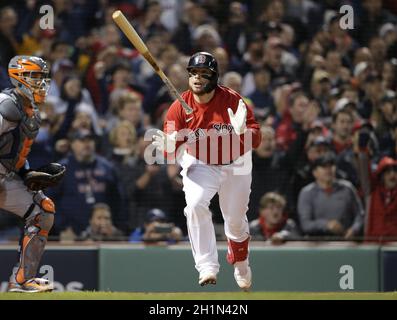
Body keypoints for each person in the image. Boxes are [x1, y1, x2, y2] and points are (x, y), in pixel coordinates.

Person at [152, 52, 262, 290]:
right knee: (195, 204)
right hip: (201, 162)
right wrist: (170, 146)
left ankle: (241, 263)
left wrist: (243, 132)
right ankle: (206, 266)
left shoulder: (233, 101)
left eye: (204, 74)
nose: (198, 78)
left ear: (215, 77)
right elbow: (170, 150)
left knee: (234, 221)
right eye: (193, 73)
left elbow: (258, 138)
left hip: (236, 162)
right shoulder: (177, 108)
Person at [0, 56, 61, 292]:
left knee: (43, 210)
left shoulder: (31, 112)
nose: (41, 83)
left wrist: (28, 174)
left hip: (4, 177)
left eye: (43, 78)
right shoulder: (6, 104)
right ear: (18, 77)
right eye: (35, 77)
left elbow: (15, 156)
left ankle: (22, 280)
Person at [297, 152, 364, 239]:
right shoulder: (307, 193)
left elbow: (360, 215)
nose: (328, 170)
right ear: (315, 172)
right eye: (324, 167)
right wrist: (326, 225)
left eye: (331, 166)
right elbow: (305, 224)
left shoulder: (347, 188)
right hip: (317, 244)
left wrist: (354, 229)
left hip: (345, 242)